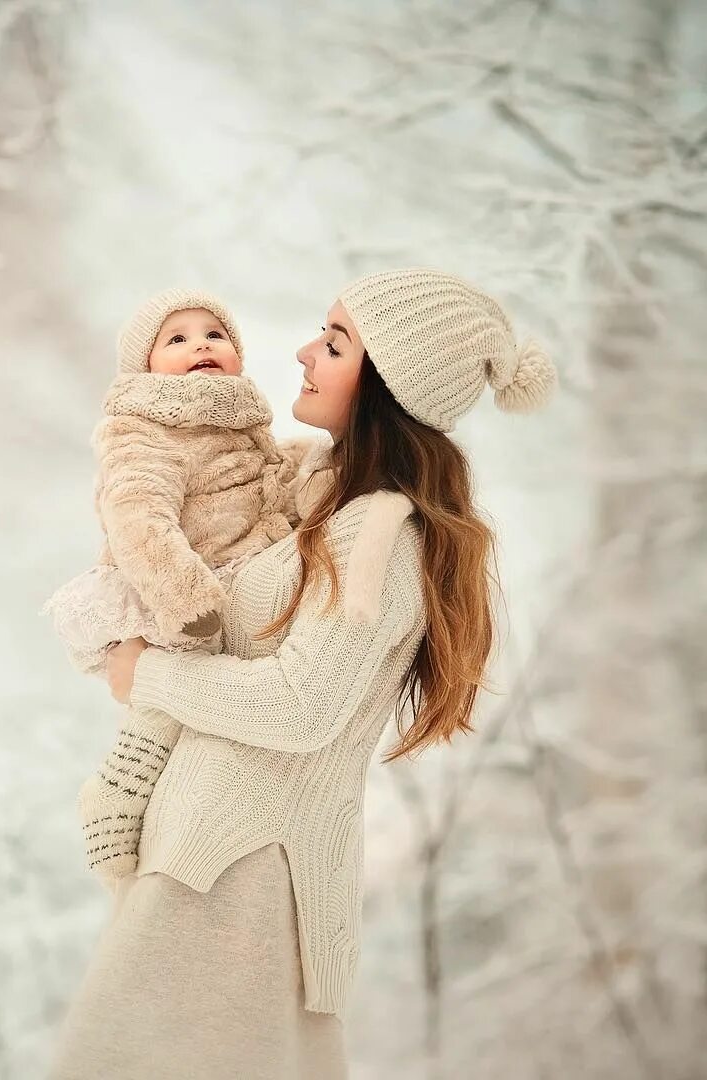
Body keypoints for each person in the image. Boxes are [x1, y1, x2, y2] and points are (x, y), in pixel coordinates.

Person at [46, 268, 558, 1079]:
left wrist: (142, 673)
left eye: (335, 341)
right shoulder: (318, 502)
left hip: (240, 874)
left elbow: (300, 706)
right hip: (207, 861)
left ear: (388, 380)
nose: (303, 352)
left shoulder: (379, 534)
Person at [41, 288, 318, 883]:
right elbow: (136, 511)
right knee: (169, 696)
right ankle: (118, 785)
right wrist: (182, 595)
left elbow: (264, 482)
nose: (201, 345)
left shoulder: (241, 415)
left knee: (210, 719)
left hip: (238, 572)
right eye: (178, 338)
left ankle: (167, 802)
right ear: (145, 365)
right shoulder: (143, 427)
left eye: (215, 335)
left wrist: (311, 470)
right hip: (177, 586)